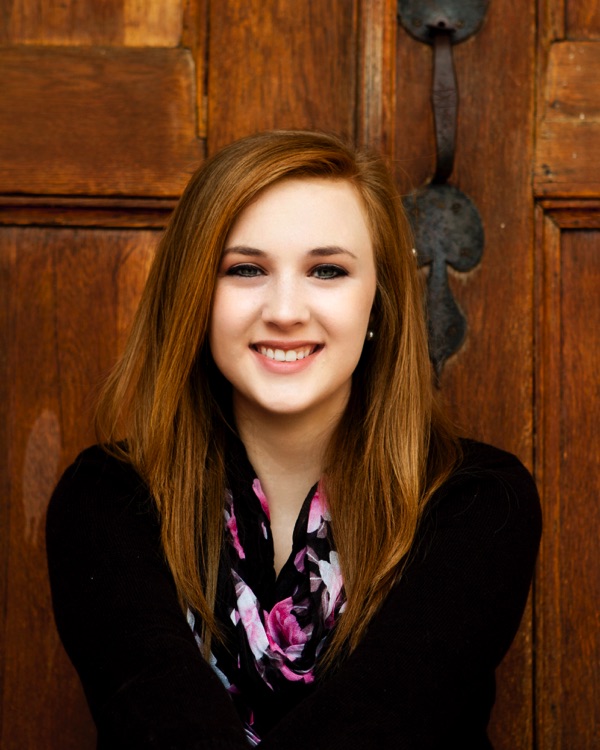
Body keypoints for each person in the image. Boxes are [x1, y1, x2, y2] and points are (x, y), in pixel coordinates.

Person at [46, 130, 541, 749]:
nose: (285, 311)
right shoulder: (105, 501)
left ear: (379, 301)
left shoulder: (477, 504)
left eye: (327, 270)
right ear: (195, 294)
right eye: (246, 269)